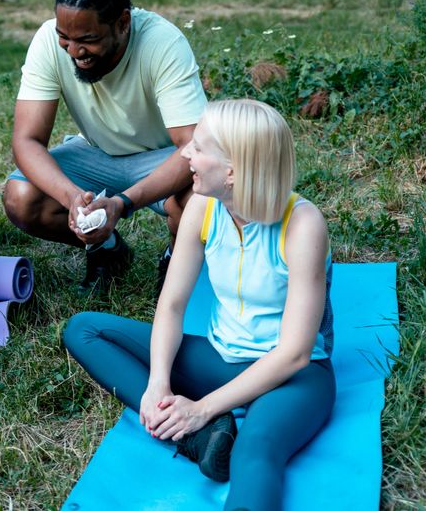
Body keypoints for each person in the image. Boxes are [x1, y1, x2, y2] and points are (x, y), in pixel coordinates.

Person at [63, 99, 336, 511]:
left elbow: (296, 353)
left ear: (232, 170)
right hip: (222, 358)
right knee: (84, 329)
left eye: (200, 147)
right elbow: (171, 306)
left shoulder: (302, 224)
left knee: (254, 454)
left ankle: (204, 425)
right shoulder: (203, 208)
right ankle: (202, 437)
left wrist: (202, 407)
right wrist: (157, 385)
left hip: (292, 377)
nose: (186, 153)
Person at [3, 0, 206, 293]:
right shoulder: (47, 41)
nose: (74, 51)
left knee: (200, 201)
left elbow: (193, 146)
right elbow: (26, 140)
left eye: (87, 39)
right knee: (22, 198)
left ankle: (177, 257)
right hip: (95, 153)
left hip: (162, 158)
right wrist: (72, 198)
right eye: (64, 37)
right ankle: (108, 249)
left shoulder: (162, 42)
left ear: (123, 22)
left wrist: (122, 203)